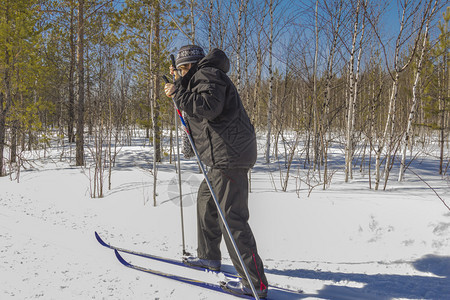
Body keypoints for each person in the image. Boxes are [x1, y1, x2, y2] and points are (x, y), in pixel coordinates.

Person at [164, 45, 268, 298]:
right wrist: (181, 86)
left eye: (183, 68)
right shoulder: (201, 77)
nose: (180, 73)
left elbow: (208, 106)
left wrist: (178, 90)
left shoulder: (208, 73)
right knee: (206, 202)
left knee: (231, 218)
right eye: (178, 70)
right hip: (224, 156)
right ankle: (209, 257)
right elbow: (198, 110)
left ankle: (254, 283)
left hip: (230, 156)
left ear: (193, 65)